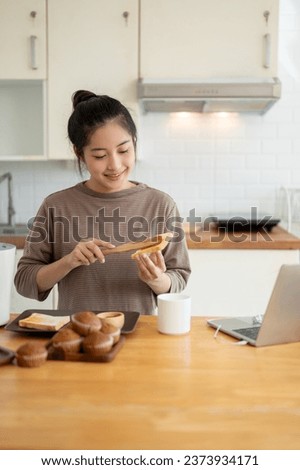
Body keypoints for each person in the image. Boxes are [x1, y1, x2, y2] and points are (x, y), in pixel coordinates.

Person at [15, 90, 191, 314]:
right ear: (80, 154)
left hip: (140, 338)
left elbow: (178, 277)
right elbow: (24, 281)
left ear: (134, 143)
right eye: (100, 155)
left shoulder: (161, 205)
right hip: (78, 336)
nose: (115, 165)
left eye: (124, 150)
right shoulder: (56, 206)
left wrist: (157, 280)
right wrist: (69, 261)